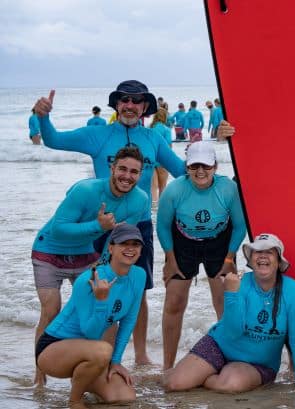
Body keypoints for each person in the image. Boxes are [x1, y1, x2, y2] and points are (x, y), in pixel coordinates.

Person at [33, 80, 187, 365]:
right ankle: (88, 354)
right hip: (102, 223)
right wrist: (43, 117)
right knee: (97, 289)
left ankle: (140, 356)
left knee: (137, 290)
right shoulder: (98, 135)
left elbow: (181, 171)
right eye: (124, 100)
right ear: (117, 105)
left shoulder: (154, 139)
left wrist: (218, 164)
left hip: (138, 225)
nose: (130, 105)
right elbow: (53, 139)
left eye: (136, 101)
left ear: (144, 108)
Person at [31, 146, 148, 385]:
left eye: (134, 172)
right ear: (111, 168)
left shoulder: (140, 200)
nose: (127, 176)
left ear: (141, 174)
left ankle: (98, 371)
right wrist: (97, 226)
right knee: (52, 309)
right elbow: (58, 228)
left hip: (86, 254)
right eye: (122, 168)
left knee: (105, 310)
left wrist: (103, 265)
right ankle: (40, 375)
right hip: (49, 251)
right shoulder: (85, 190)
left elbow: (118, 241)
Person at [163, 233, 295, 393]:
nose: (262, 256)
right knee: (174, 384)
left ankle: (204, 376)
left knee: (230, 385)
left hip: (258, 364)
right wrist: (231, 294)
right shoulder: (238, 283)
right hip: (220, 346)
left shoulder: (294, 291)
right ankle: (188, 373)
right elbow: (233, 332)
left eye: (269, 252)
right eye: (257, 252)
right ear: (251, 260)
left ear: (279, 261)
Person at [36, 223, 146, 409]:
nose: (130, 248)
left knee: (124, 396)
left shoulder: (139, 275)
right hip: (53, 348)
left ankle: (84, 378)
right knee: (103, 350)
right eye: (123, 243)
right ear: (111, 248)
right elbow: (91, 331)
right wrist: (101, 301)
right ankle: (75, 400)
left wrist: (116, 362)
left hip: (90, 351)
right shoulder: (88, 280)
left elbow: (129, 320)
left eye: (135, 244)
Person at [157, 142, 246, 369]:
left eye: (205, 166)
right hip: (183, 242)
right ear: (187, 167)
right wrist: (170, 259)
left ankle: (230, 361)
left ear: (215, 166)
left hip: (219, 242)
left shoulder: (228, 188)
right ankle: (167, 366)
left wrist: (229, 259)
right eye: (194, 166)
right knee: (174, 302)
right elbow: (163, 226)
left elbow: (239, 226)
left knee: (223, 302)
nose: (200, 171)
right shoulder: (174, 190)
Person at [150, 107, 173, 202]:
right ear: (164, 117)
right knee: (162, 187)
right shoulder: (166, 129)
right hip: (162, 160)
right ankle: (161, 209)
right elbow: (168, 147)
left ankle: (153, 208)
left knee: (153, 187)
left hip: (151, 159)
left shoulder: (149, 129)